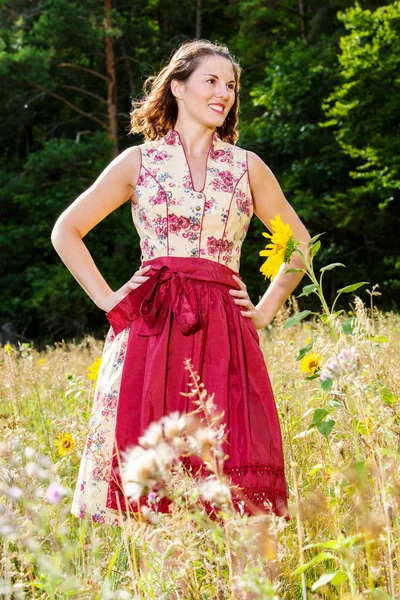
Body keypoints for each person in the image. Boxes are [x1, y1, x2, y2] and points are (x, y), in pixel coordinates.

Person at [51, 39, 311, 528]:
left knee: (232, 466)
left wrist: (269, 305)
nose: (224, 93)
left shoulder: (246, 166)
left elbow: (299, 244)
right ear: (178, 87)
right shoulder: (138, 162)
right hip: (151, 326)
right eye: (211, 81)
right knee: (152, 470)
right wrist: (110, 299)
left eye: (231, 85)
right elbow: (66, 230)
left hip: (225, 330)